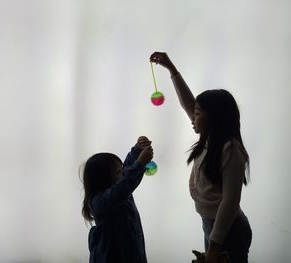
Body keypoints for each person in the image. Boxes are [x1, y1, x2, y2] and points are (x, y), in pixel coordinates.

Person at [150, 52, 252, 263]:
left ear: (213, 117)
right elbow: (189, 103)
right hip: (212, 226)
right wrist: (171, 69)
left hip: (229, 231)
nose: (192, 117)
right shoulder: (210, 139)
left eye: (197, 113)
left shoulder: (230, 149)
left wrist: (214, 246)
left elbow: (230, 201)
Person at [81, 136, 153, 263]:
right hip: (112, 254)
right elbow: (125, 183)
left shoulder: (119, 187)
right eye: (118, 171)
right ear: (103, 178)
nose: (123, 172)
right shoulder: (99, 201)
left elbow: (127, 168)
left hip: (132, 248)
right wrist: (140, 163)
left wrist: (137, 150)